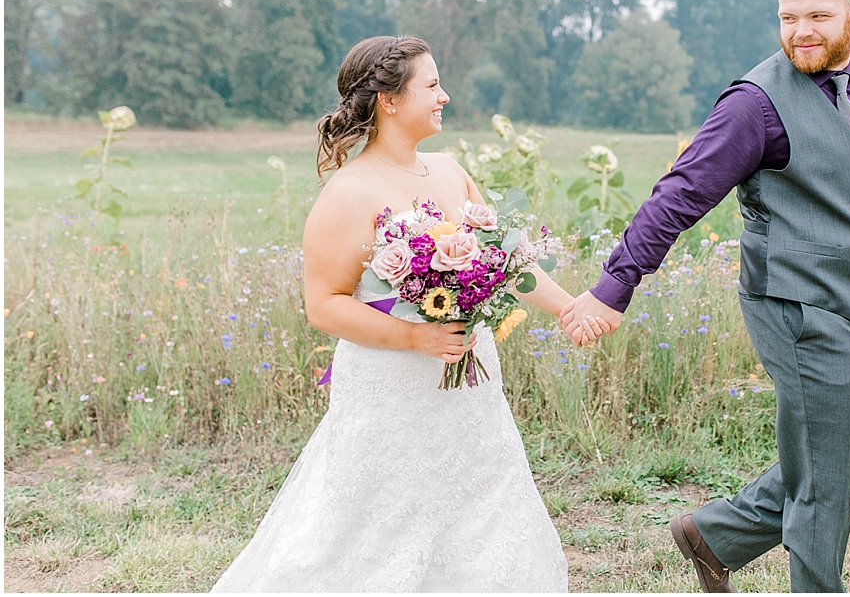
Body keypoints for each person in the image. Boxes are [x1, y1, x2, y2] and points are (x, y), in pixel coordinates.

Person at [561, 0, 850, 593]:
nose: (802, 33)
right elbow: (678, 195)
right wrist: (614, 287)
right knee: (826, 476)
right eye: (788, 19)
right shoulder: (755, 105)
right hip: (797, 304)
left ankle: (717, 535)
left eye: (817, 17)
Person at [212, 35, 607, 592]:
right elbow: (323, 304)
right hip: (392, 385)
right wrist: (415, 339)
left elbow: (509, 259)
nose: (445, 96)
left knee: (481, 496)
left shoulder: (449, 170)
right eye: (432, 85)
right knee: (378, 519)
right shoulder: (348, 193)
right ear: (389, 102)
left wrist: (571, 309)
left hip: (471, 381)